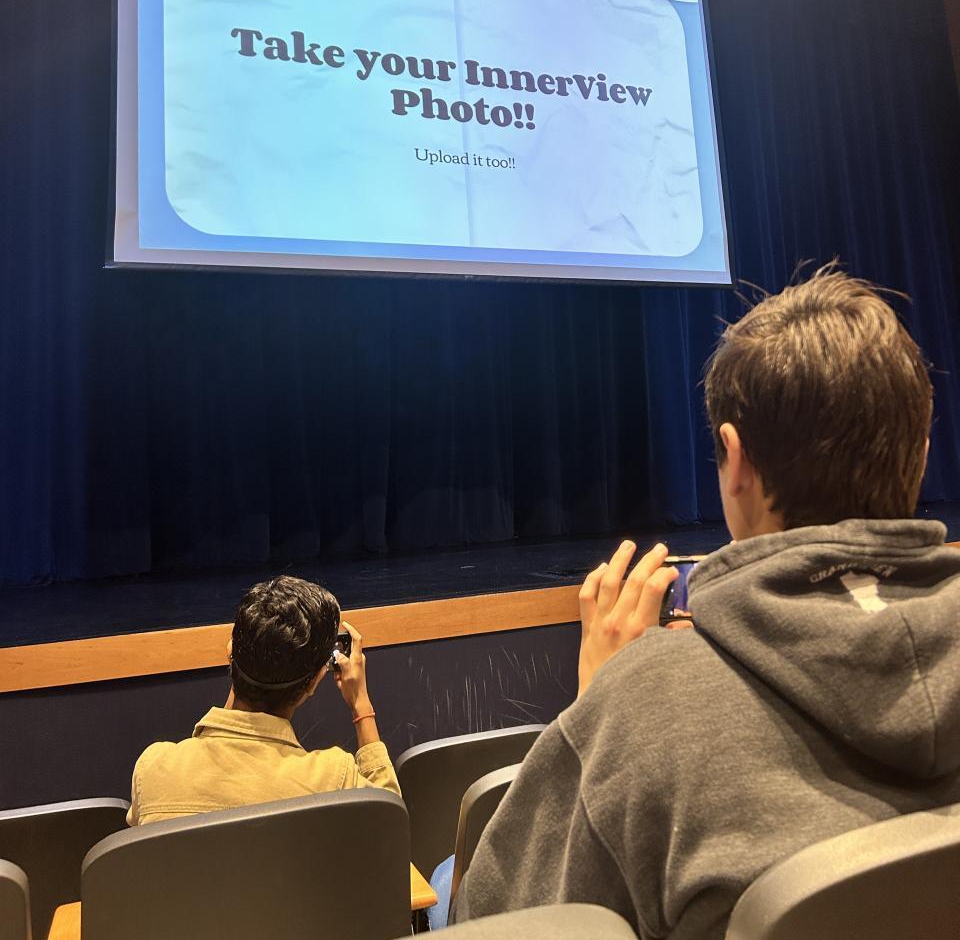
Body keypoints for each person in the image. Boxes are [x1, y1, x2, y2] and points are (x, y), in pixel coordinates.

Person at [452, 267, 960, 938]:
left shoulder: (640, 703)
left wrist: (598, 708)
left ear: (734, 458)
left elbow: (495, 920)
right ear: (921, 452)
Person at [128, 574, 398, 825]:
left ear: (230, 652)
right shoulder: (334, 780)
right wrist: (360, 703)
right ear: (315, 680)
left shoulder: (154, 770)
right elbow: (389, 824)